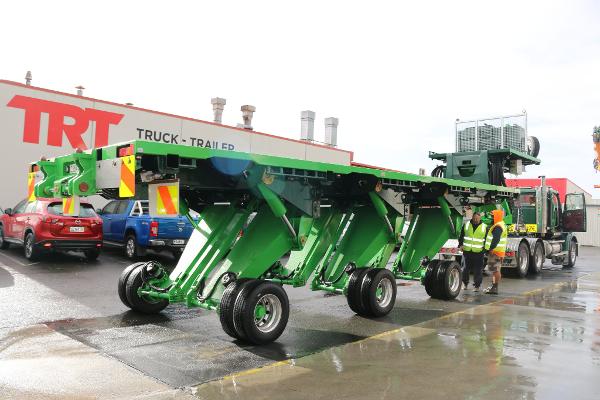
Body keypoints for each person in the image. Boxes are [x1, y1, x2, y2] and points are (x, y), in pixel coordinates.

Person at [458, 210, 487, 292]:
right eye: (474, 218)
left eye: (477, 218)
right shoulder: (466, 225)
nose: (475, 220)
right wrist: (460, 245)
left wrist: (484, 249)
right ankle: (465, 284)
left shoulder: (484, 227)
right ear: (472, 217)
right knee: (465, 269)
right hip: (467, 251)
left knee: (478, 270)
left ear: (480, 218)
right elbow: (461, 236)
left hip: (479, 252)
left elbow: (487, 240)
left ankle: (477, 286)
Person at [483, 209, 508, 295]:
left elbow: (496, 239)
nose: (492, 218)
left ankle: (495, 287)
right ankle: (494, 287)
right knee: (495, 270)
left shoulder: (498, 226)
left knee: (495, 270)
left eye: (493, 216)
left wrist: (491, 248)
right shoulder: (500, 225)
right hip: (498, 252)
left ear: (497, 216)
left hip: (495, 252)